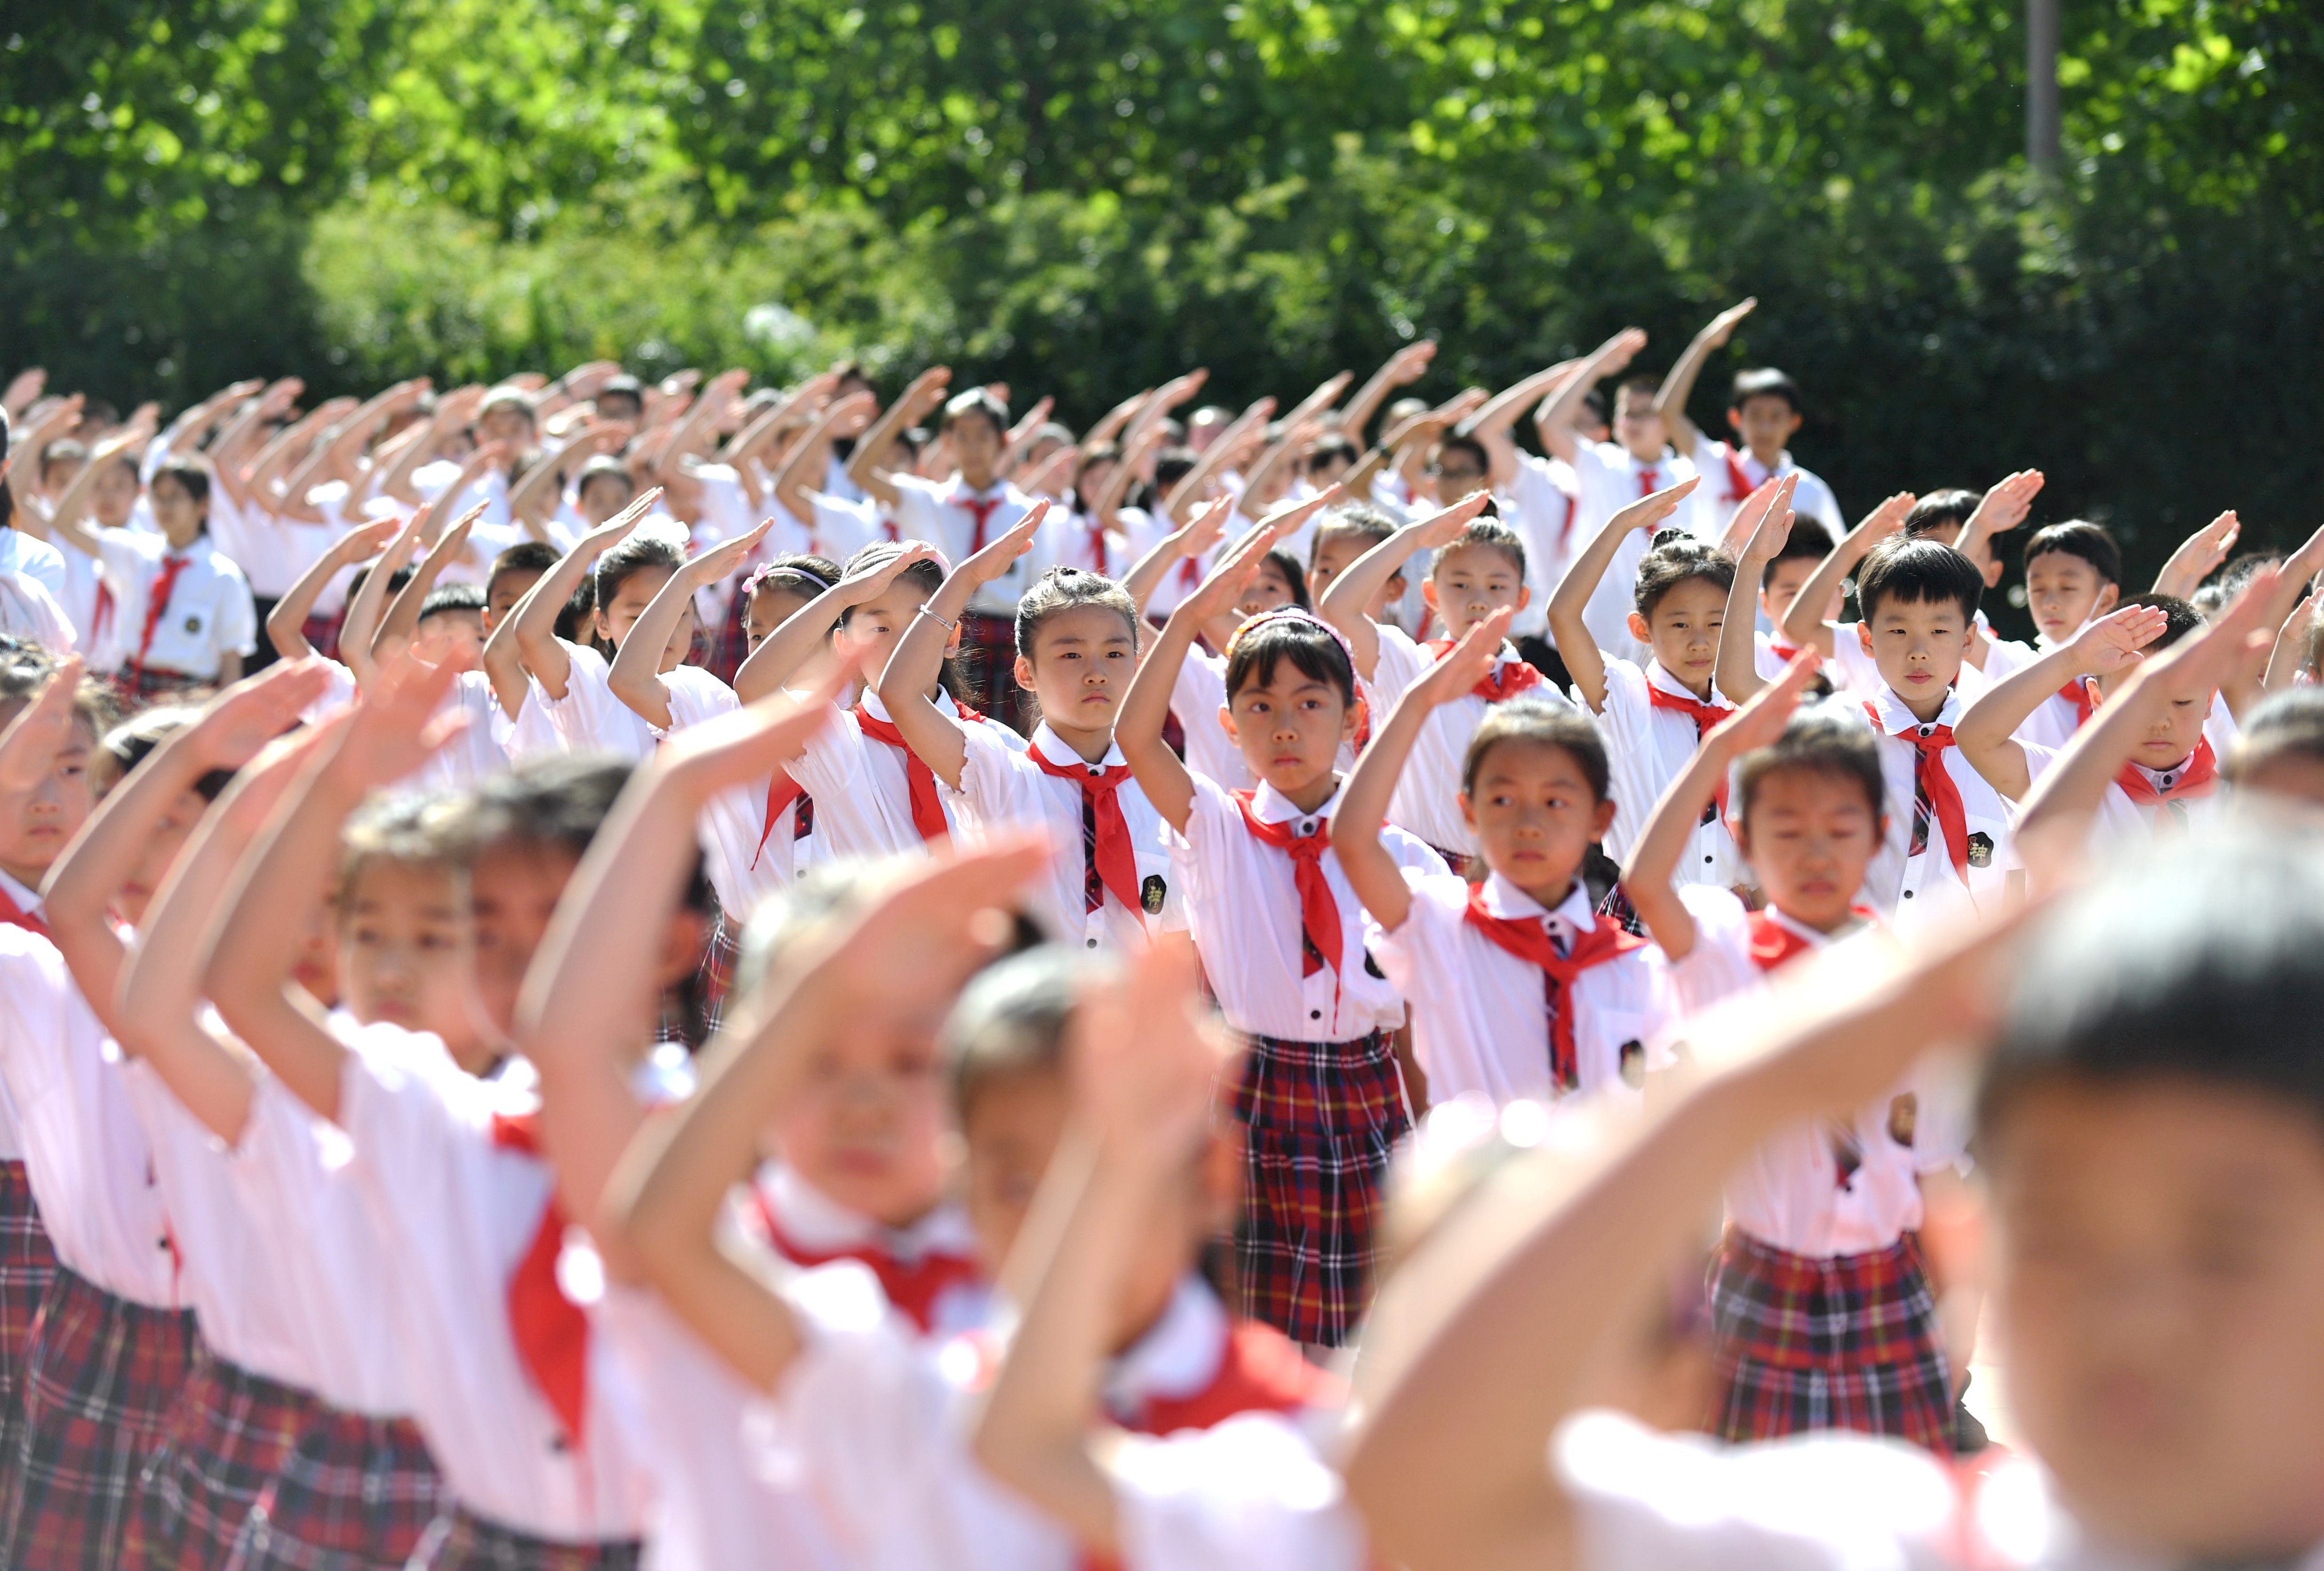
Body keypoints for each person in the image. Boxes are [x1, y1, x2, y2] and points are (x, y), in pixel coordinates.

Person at [1346, 824, 2324, 1571]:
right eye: (2058, 1230)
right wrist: (1744, 1093)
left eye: (2222, 1244)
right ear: (1974, 1241)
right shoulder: (1882, 1541)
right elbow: (1425, 1495)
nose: (2132, 1312)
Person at [204, 668, 660, 1569]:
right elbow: (239, 986)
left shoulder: (700, 1129)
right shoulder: (429, 1111)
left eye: (559, 921)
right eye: (489, 926)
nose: (526, 957)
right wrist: (331, 784)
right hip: (456, 1505)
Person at [1620, 658, 1966, 1451]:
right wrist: (1719, 751)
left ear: (1880, 835)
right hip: (1762, 1271)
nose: (1815, 853)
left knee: (1892, 1504)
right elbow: (1646, 881)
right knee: (1746, 1499)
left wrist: (1961, 1317)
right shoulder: (1728, 952)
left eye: (1840, 831)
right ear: (1744, 840)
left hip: (1889, 1272)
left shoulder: (1909, 969)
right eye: (1787, 830)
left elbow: (1937, 1163)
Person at [1116, 518, 1439, 1348]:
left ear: (1353, 714)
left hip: (1366, 1088)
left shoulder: (1399, 853)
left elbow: (1416, 1017)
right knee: (1252, 1309)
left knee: (1371, 1313)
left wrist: (1428, 1122)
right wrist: (1187, 617)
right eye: (1259, 707)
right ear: (1228, 726)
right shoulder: (1215, 827)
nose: (1285, 727)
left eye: (1309, 703)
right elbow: (1134, 736)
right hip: (1251, 1088)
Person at [967, 939, 1367, 1571]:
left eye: (1100, 1169)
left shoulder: (1302, 1442)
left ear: (1210, 1176)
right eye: (1018, 1185)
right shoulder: (932, 1395)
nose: (1056, 1225)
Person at [0, 654, 198, 1571]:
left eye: (71, 765)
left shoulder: (144, 930)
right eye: (13, 761)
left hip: (115, 1253)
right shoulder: (19, 947)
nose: (43, 790)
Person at [1334, 611, 1666, 1110]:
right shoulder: (1442, 926)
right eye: (1502, 800)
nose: (1528, 824)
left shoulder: (1634, 967)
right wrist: (1418, 701)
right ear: (1468, 811)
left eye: (1555, 802)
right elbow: (1353, 840)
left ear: (1600, 819)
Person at [877, 507, 1186, 953]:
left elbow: (1177, 942)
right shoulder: (998, 771)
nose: (1096, 673)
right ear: (1025, 672)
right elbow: (900, 694)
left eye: (1115, 655)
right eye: (1071, 655)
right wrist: (964, 580)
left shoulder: (1163, 794)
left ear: (1139, 667)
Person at [1316, 493, 1565, 873]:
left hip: (1504, 878)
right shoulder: (1405, 664)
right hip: (1406, 871)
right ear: (1431, 594)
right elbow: (1338, 605)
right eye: (1460, 585)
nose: (1478, 601)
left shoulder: (1542, 696)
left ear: (1521, 599)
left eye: (1496, 587)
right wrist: (1414, 538)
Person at [748, 541, 1035, 861]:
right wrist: (842, 596)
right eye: (879, 627)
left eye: (919, 625)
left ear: (951, 639)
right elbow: (753, 688)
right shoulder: (836, 740)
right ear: (845, 646)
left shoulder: (1003, 746)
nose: (902, 644)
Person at [1549, 475, 1751, 885]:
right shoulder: (1624, 697)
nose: (1699, 641)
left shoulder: (1744, 710)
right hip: (1647, 916)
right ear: (1642, 629)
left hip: (1732, 917)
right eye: (1680, 624)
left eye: (1717, 623)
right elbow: (1563, 616)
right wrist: (1622, 524)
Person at [1831, 536, 2021, 929]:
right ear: (1867, 639)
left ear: (1967, 640)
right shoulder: (1840, 737)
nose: (1919, 651)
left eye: (1939, 631)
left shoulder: (1996, 752)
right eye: (1899, 631)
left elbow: (2017, 873)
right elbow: (1737, 680)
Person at [852, 376, 1046, 726]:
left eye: (983, 435)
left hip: (1005, 636)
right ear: (946, 442)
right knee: (931, 732)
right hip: (937, 629)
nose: (972, 446)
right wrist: (902, 413)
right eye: (962, 435)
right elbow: (860, 471)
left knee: (1002, 745)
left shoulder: (1026, 511)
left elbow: (1037, 590)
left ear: (1004, 442)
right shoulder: (927, 500)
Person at [1531, 328, 1700, 662]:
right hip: (1599, 625)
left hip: (1670, 624)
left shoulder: (1690, 474)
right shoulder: (1600, 463)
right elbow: (1549, 423)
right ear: (1616, 422)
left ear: (1667, 421)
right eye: (1628, 413)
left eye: (1646, 413)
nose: (1635, 421)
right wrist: (1597, 364)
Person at [46, 458, 258, 698]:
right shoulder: (135, 552)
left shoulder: (224, 577)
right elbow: (64, 524)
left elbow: (231, 659)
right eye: (158, 497)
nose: (165, 506)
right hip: (127, 683)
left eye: (176, 497)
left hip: (188, 694)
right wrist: (95, 465)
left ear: (203, 505)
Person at [1654, 300, 1845, 537]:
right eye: (1755, 416)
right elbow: (1667, 411)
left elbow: (1833, 560)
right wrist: (1703, 343)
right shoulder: (1714, 466)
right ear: (1735, 418)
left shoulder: (1811, 490)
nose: (1765, 427)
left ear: (1794, 422)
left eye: (1776, 417)